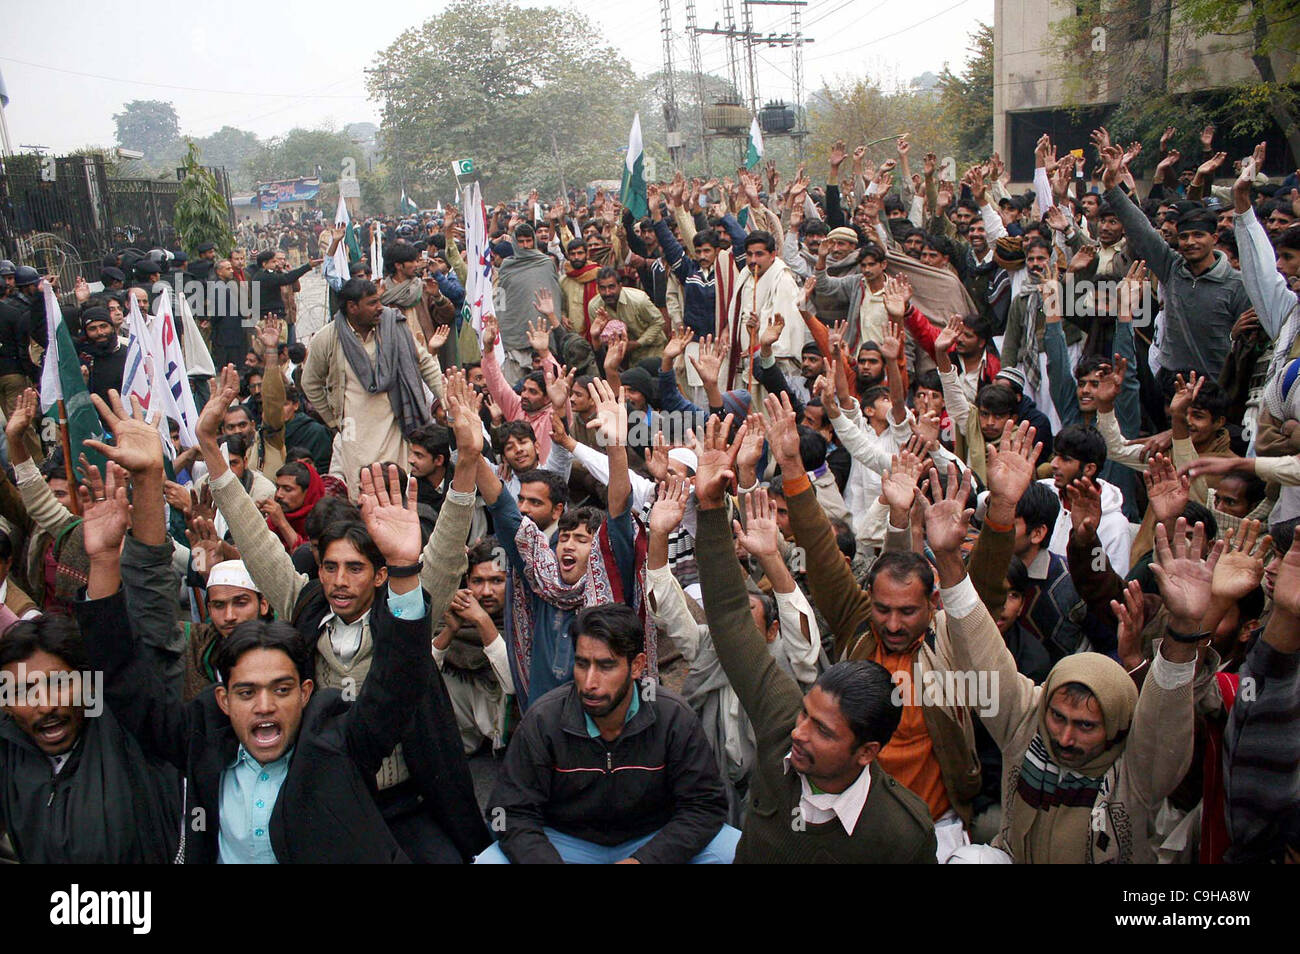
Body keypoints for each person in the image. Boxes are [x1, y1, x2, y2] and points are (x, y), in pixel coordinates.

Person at [196, 366, 489, 862]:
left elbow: (442, 555)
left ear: (380, 576)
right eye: (329, 566)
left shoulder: (406, 617)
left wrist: (468, 461)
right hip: (326, 799)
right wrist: (209, 446)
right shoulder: (304, 605)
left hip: (408, 801)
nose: (338, 580)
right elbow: (252, 536)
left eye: (354, 568)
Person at [930, 422, 1200, 863]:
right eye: (1058, 717)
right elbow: (981, 648)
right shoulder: (1025, 722)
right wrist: (947, 559)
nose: (1066, 736)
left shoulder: (1132, 769)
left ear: (1114, 727)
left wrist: (1185, 630)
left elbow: (1166, 726)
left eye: (1085, 726)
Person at [690, 413, 937, 863]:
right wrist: (709, 510)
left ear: (867, 753)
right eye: (806, 715)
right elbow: (729, 618)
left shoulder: (903, 834)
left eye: (823, 731)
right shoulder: (782, 729)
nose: (799, 735)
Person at [479, 603, 737, 864]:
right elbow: (506, 813)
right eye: (582, 664)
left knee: (733, 850)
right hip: (565, 842)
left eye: (605, 666)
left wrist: (644, 860)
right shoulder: (543, 719)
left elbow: (705, 806)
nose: (590, 682)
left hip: (652, 838)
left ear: (636, 666)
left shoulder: (673, 717)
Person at [301, 279, 444, 499]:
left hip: (395, 423)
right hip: (354, 430)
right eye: (372, 303)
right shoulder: (328, 338)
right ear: (352, 307)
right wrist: (333, 420)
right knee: (364, 493)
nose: (380, 307)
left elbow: (423, 362)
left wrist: (446, 398)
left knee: (398, 489)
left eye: (379, 301)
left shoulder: (393, 326)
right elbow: (310, 383)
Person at [433, 538, 514, 754]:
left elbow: (515, 683)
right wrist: (450, 631)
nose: (486, 591)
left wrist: (482, 621)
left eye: (497, 581)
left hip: (509, 739)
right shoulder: (452, 611)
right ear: (467, 582)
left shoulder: (523, 621)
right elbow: (418, 674)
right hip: (461, 739)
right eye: (478, 581)